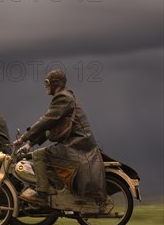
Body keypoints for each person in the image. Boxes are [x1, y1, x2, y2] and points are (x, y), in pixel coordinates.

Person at [14, 69, 106, 205]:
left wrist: (23, 138)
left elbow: (46, 120)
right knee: (40, 155)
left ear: (56, 83)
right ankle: (57, 190)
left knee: (39, 155)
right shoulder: (66, 97)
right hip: (78, 143)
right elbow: (52, 127)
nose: (45, 86)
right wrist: (30, 143)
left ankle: (42, 194)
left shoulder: (62, 98)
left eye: (47, 82)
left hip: (77, 144)